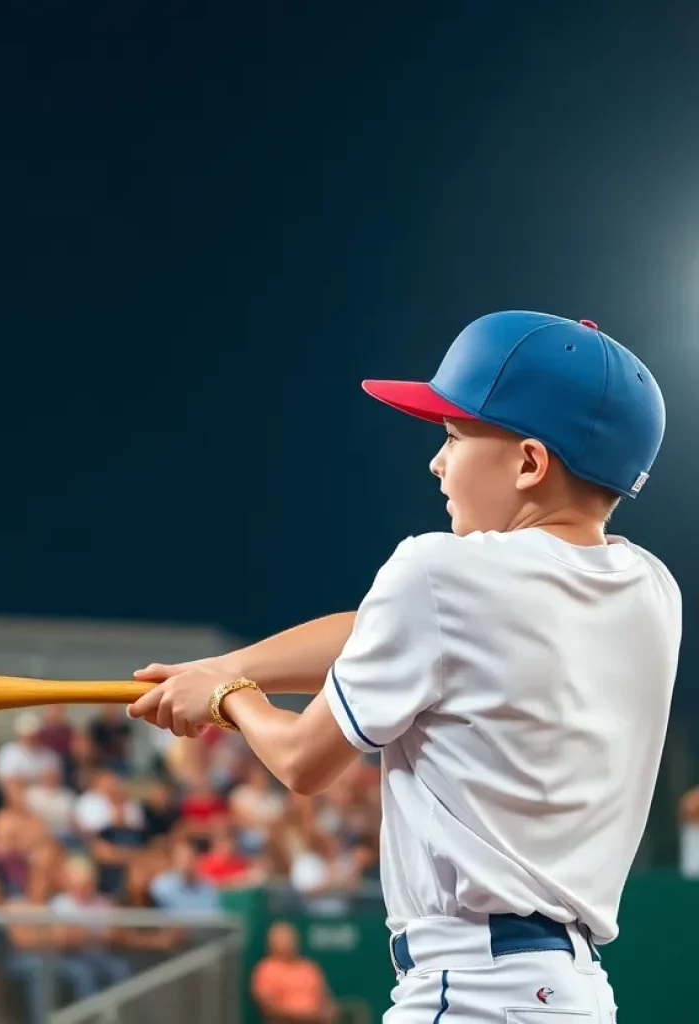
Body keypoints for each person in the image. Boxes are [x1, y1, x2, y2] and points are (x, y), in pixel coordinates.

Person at [128, 312, 681, 1022]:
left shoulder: (437, 571)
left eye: (454, 436)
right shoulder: (651, 590)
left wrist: (229, 697)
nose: (438, 461)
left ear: (529, 463)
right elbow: (383, 632)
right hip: (572, 996)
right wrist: (220, 665)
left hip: (473, 993)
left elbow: (302, 760)